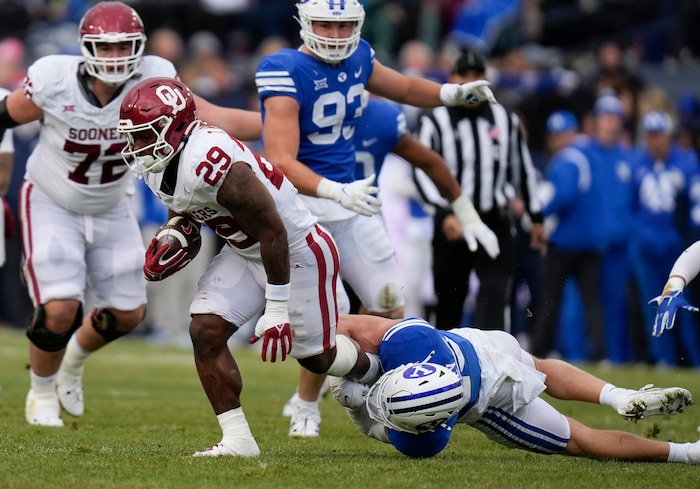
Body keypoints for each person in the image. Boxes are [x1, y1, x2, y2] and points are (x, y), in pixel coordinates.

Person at [0, 1, 263, 427]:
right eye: (105, 49)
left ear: (139, 48)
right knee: (61, 307)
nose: (115, 58)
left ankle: (73, 361)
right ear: (86, 49)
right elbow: (4, 116)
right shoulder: (54, 80)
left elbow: (212, 117)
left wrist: (285, 121)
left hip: (112, 201)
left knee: (127, 314)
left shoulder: (154, 78)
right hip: (51, 197)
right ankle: (42, 390)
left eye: (125, 48)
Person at [255, 0, 499, 437]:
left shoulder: (362, 58)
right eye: (327, 26)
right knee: (325, 312)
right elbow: (279, 159)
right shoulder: (284, 68)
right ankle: (306, 404)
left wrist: (449, 93)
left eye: (345, 24)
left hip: (351, 204)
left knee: (388, 300)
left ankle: (378, 394)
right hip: (302, 207)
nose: (336, 35)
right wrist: (333, 187)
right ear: (306, 25)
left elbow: (404, 87)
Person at [117, 76, 382, 457]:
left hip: (295, 250)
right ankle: (239, 440)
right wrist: (175, 229)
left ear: (175, 128)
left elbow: (272, 230)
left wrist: (276, 309)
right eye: (135, 135)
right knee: (205, 329)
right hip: (245, 250)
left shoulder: (210, 159)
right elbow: (186, 204)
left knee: (317, 358)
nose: (139, 146)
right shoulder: (163, 162)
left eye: (147, 134)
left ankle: (377, 370)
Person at [329, 314, 697, 462]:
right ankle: (619, 395)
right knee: (540, 367)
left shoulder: (425, 438)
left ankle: (687, 454)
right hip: (480, 343)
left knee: (578, 439)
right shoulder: (412, 341)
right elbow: (342, 323)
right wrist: (360, 363)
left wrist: (357, 410)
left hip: (493, 398)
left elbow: (376, 429)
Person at [412, 48, 546, 331]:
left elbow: (521, 170)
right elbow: (421, 172)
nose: (471, 82)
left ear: (486, 79)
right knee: (449, 300)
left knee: (496, 296)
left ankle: (494, 363)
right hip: (453, 220)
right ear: (452, 78)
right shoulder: (434, 120)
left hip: (493, 217)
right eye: (464, 76)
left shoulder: (505, 119)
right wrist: (443, 214)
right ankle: (445, 364)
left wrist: (536, 218)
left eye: (477, 76)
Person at [630, 110, 700, 366]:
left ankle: (694, 359)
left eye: (659, 135)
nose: (655, 141)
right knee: (654, 303)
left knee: (684, 303)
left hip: (677, 245)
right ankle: (664, 359)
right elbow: (629, 207)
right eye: (650, 136)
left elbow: (695, 203)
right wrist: (642, 233)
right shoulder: (637, 164)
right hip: (646, 245)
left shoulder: (686, 161)